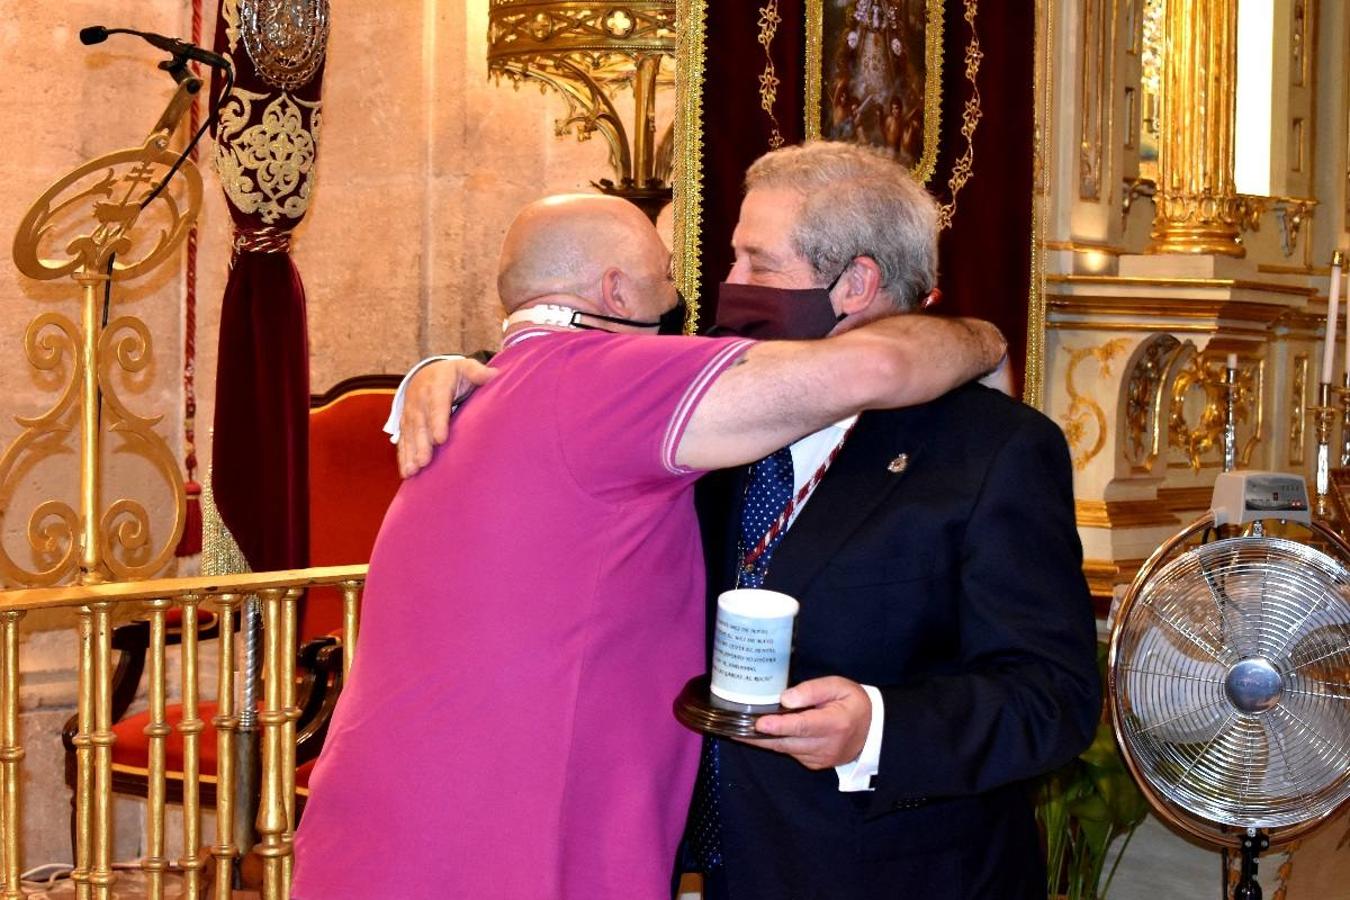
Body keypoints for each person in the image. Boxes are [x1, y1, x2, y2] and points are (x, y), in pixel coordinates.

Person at [397, 142, 1100, 899]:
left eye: (758, 265)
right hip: (710, 867)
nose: (727, 287)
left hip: (890, 873)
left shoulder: (993, 449)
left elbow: (1051, 697)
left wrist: (878, 726)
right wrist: (446, 370)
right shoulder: (700, 407)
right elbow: (567, 359)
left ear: (855, 284)